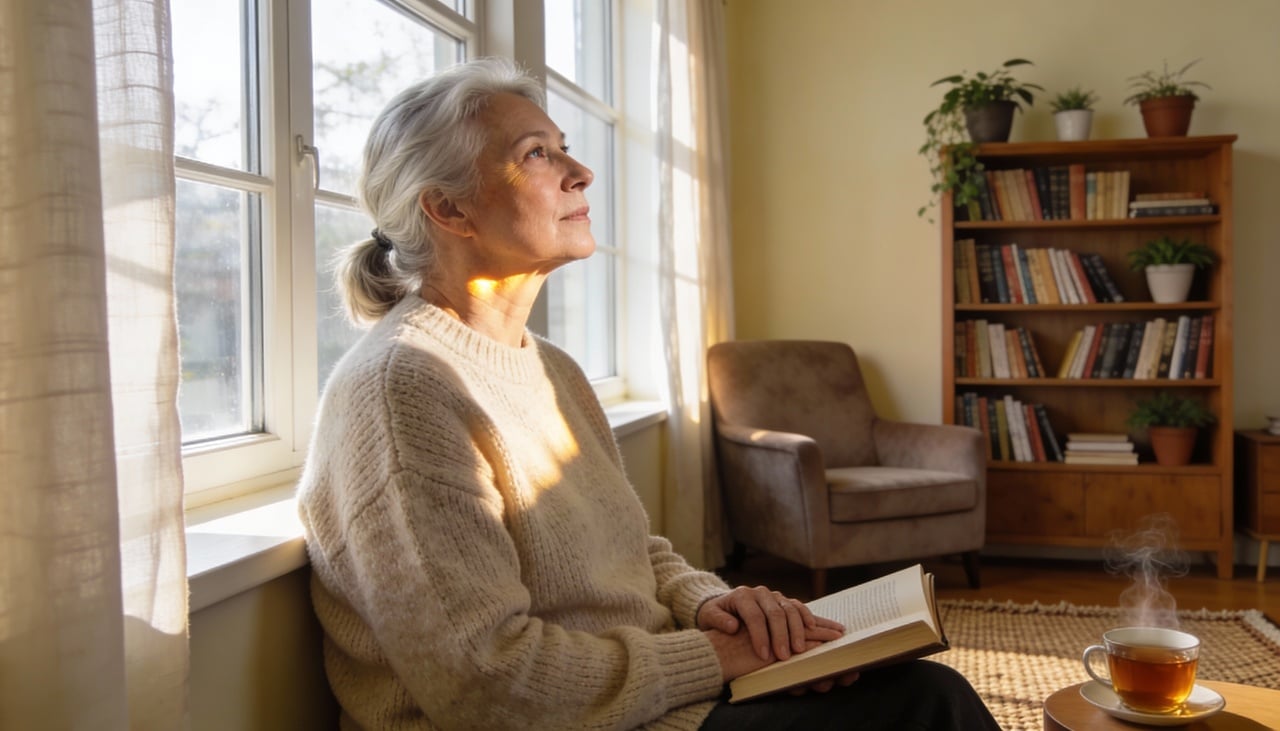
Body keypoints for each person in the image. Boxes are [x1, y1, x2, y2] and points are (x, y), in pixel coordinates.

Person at [296, 57, 1001, 731]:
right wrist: (722, 656)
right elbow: (488, 684)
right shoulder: (401, 390)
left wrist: (723, 606)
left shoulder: (552, 368)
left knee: (901, 682)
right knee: (922, 707)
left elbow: (634, 550)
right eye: (538, 154)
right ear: (448, 209)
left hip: (649, 696)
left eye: (564, 147)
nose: (582, 172)